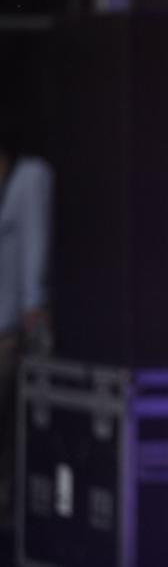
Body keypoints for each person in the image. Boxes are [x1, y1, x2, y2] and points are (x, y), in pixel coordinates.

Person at [0, 122, 54, 532]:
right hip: (8, 329)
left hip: (14, 333)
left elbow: (35, 246)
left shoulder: (30, 177)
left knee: (16, 436)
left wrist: (33, 312)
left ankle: (15, 519)